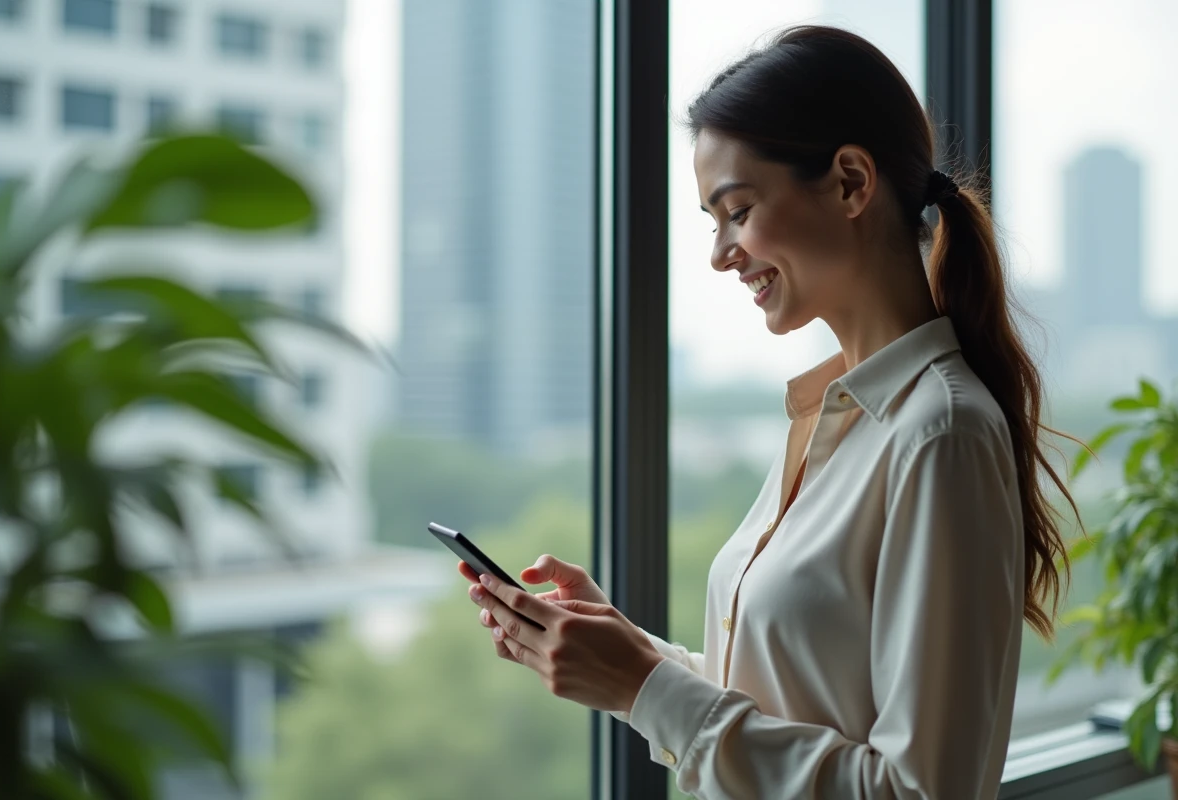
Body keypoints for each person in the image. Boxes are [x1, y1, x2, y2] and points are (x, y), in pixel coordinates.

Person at [460, 24, 1080, 799]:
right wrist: (629, 656)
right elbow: (782, 701)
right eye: (713, 221)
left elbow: (922, 790)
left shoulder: (939, 433)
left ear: (853, 182)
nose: (721, 253)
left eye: (738, 210)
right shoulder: (831, 419)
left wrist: (644, 691)